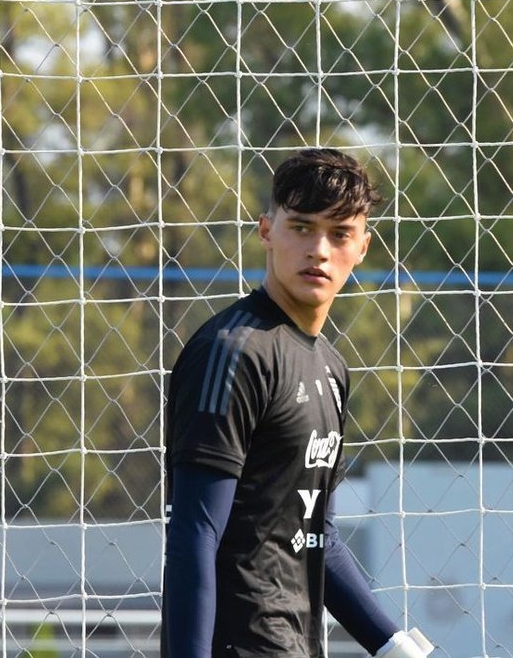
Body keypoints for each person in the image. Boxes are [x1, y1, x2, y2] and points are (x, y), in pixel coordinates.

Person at [161, 148, 435, 658]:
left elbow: (317, 537)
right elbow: (194, 534)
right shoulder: (232, 353)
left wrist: (391, 644)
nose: (320, 250)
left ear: (363, 247)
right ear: (267, 231)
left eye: (339, 233)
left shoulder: (331, 369)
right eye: (302, 227)